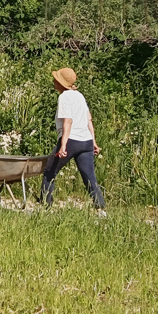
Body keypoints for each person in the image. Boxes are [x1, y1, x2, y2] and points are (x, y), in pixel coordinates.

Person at [42, 67, 106, 214]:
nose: (53, 81)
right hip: (86, 141)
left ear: (61, 83)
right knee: (89, 176)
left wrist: (63, 145)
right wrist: (94, 142)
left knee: (49, 172)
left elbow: (68, 121)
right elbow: (89, 119)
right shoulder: (79, 95)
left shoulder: (64, 97)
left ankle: (46, 207)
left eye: (55, 79)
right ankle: (100, 208)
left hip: (71, 140)